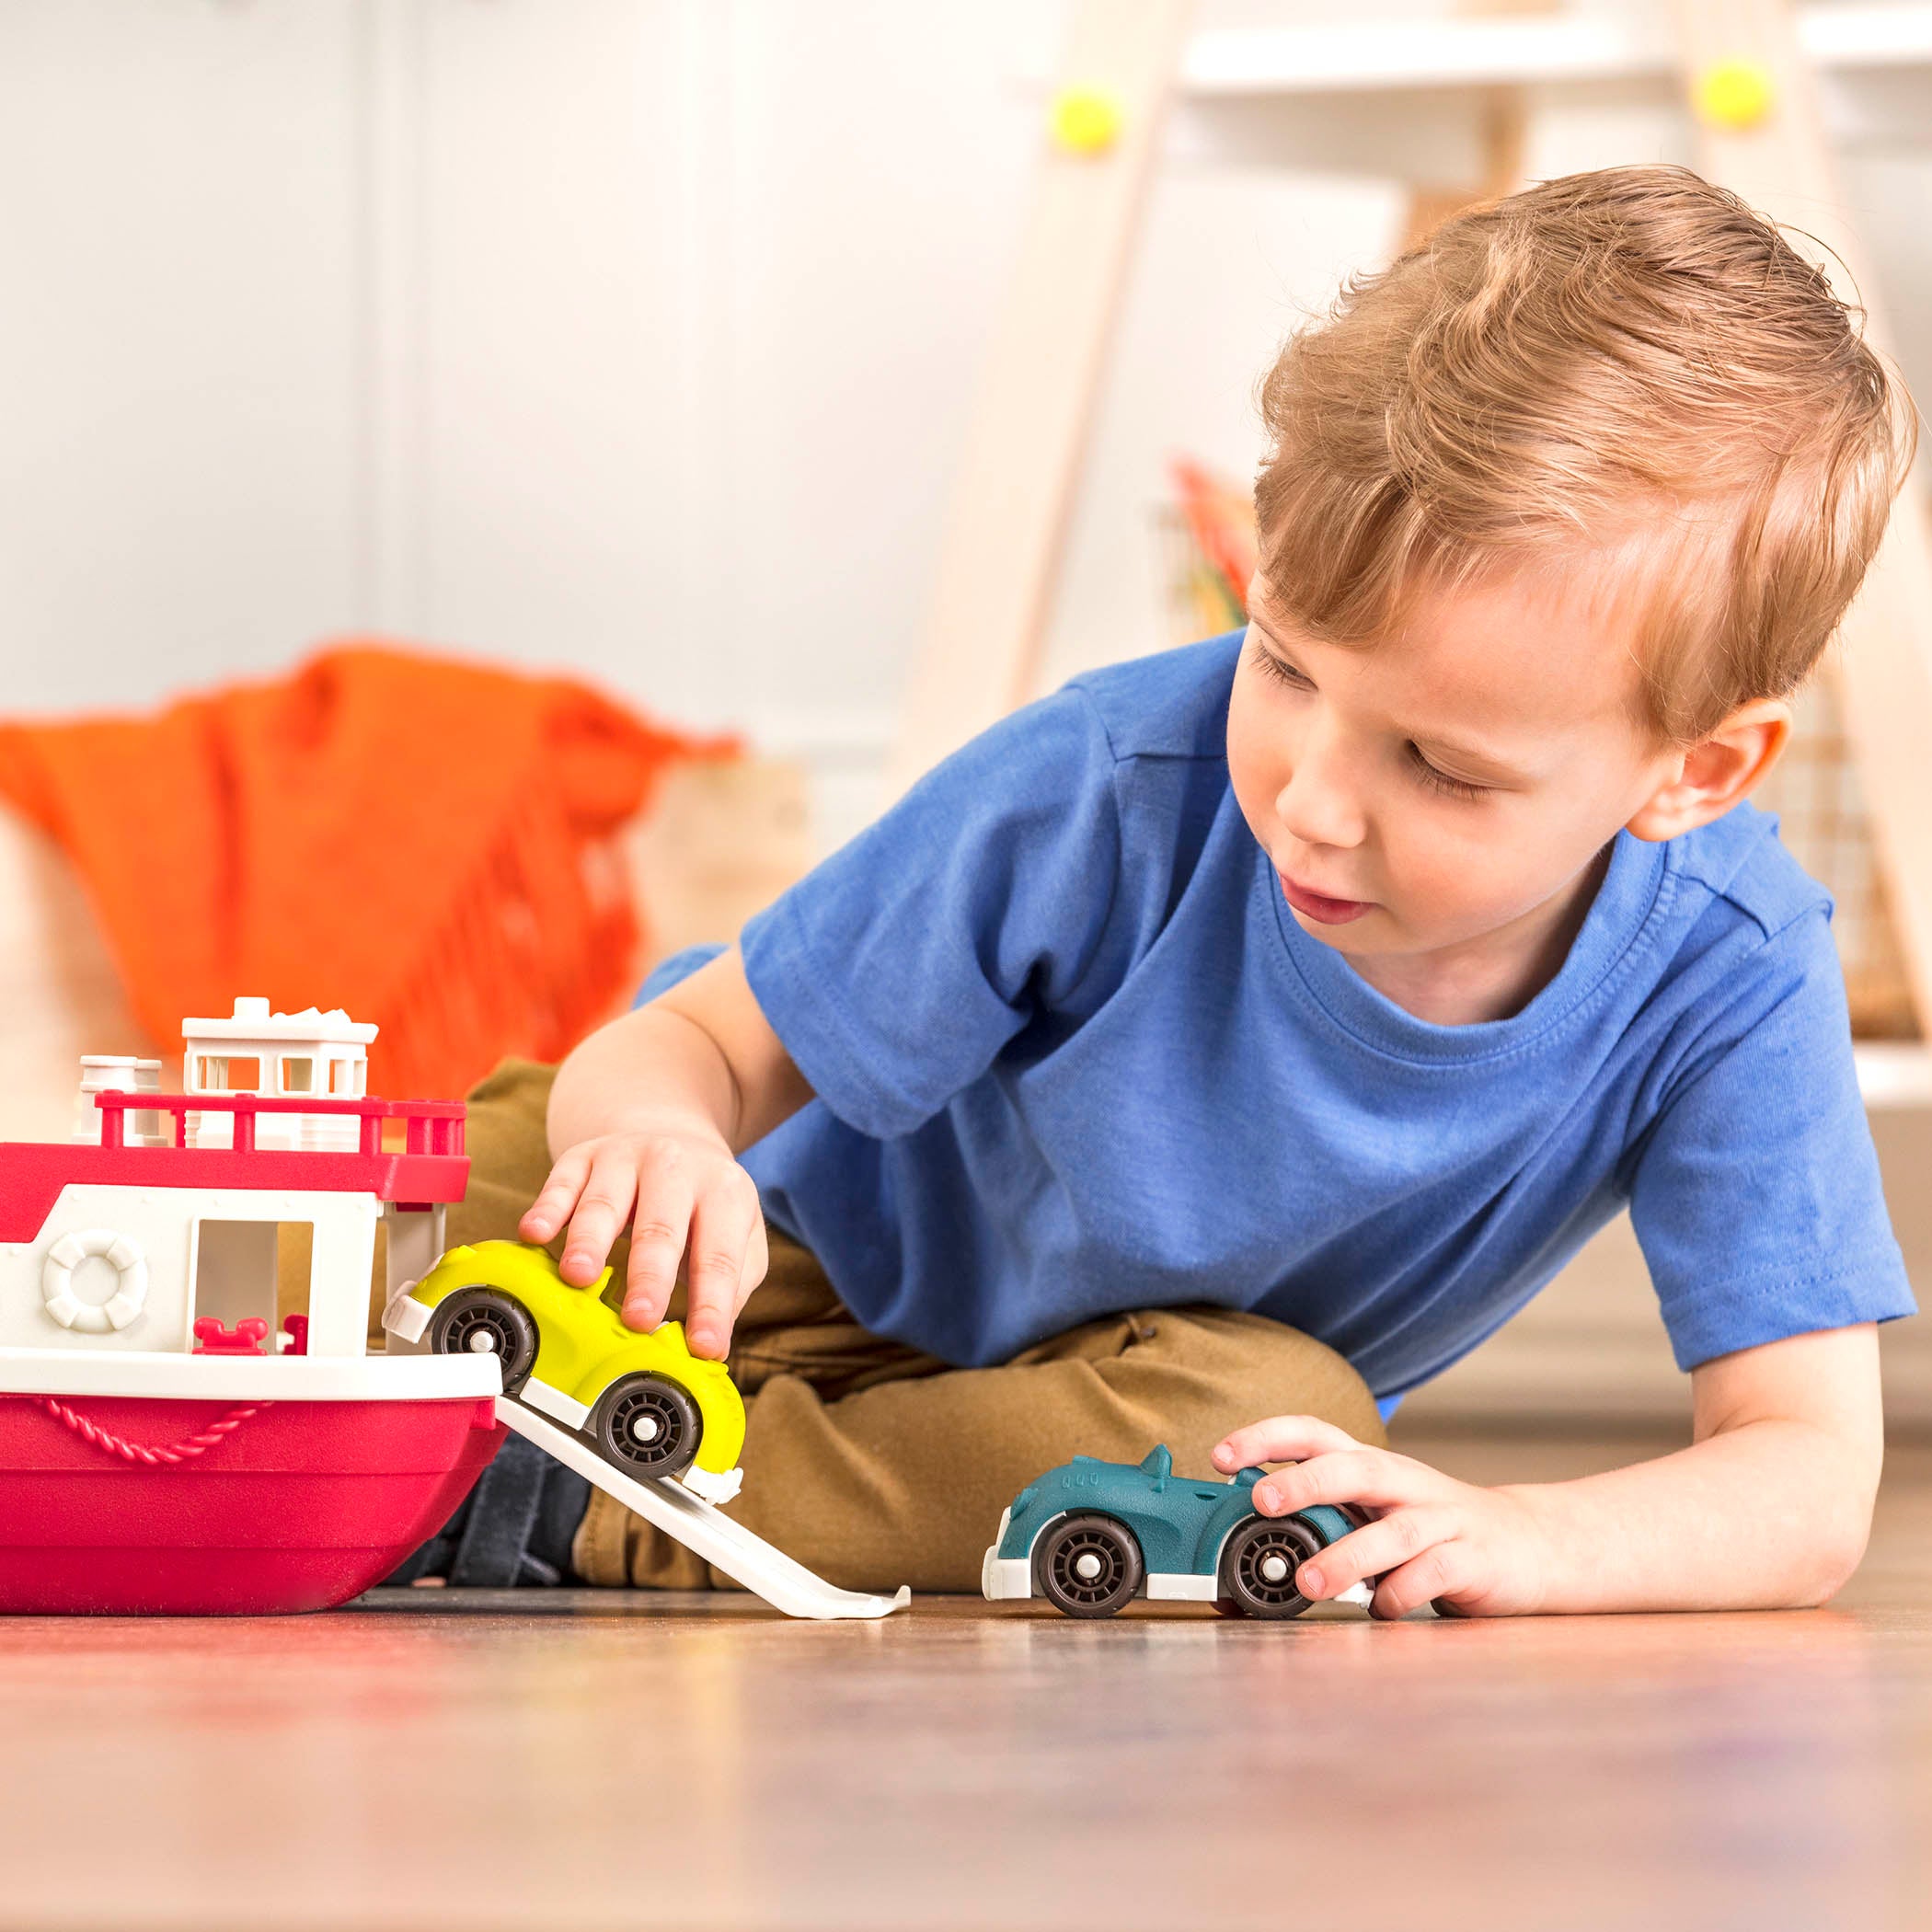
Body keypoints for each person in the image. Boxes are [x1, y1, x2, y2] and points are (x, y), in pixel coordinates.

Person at [420, 165, 1918, 1615]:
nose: (1314, 803)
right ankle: (454, 1434)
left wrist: (1529, 1535)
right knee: (375, 1214)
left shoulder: (1728, 966)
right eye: (1282, 662)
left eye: (1441, 766)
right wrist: (659, 1146)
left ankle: (597, 1510)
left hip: (1084, 1397)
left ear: (1697, 776)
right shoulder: (1114, 776)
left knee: (1278, 1425)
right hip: (735, 1251)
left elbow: (1805, 1470)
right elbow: (693, 1048)